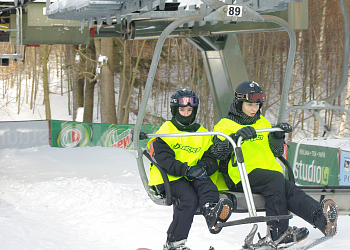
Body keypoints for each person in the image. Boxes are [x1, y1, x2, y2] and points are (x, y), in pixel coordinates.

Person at [210, 80, 339, 246]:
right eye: (250, 105)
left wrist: (278, 135)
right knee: (276, 180)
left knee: (290, 190)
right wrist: (235, 137)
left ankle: (321, 219)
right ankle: (278, 232)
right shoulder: (225, 125)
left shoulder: (262, 123)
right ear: (239, 102)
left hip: (269, 177)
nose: (254, 109)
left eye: (257, 105)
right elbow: (217, 153)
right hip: (241, 176)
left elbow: (276, 152)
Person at [147, 88, 233, 250]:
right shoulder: (167, 131)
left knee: (207, 185)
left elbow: (212, 157)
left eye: (189, 110)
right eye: (182, 109)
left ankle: (211, 212)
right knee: (189, 199)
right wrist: (186, 170)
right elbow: (164, 159)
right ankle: (175, 242)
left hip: (193, 175)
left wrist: (203, 167)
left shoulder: (203, 133)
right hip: (169, 178)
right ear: (175, 110)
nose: (186, 113)